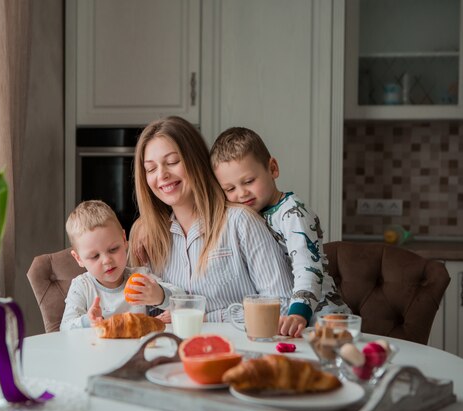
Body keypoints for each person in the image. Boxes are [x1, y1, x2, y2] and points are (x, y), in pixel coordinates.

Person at [129, 116, 296, 327]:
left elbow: (281, 304)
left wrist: (204, 317)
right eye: (151, 169)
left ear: (196, 160)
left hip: (240, 350)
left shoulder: (239, 222)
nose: (162, 175)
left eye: (172, 162)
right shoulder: (148, 237)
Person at [210, 127, 351, 335]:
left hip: (323, 318)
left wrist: (298, 313)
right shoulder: (250, 215)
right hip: (288, 321)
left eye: (249, 181)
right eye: (230, 189)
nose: (241, 193)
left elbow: (307, 268)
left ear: (273, 168)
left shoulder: (293, 214)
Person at [60, 200, 183, 331]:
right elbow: (65, 327)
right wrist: (87, 321)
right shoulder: (82, 286)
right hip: (97, 349)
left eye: (113, 249)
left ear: (124, 240)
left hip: (138, 348)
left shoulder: (140, 277)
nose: (107, 260)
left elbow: (183, 300)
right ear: (78, 258)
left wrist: (160, 295)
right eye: (95, 256)